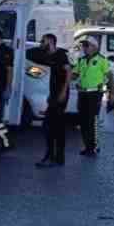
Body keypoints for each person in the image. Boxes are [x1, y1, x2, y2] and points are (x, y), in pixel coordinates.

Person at [36, 33, 72, 168]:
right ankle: (53, 157)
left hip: (60, 95)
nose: (41, 43)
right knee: (49, 126)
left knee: (54, 126)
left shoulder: (60, 55)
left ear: (50, 41)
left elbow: (69, 72)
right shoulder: (47, 55)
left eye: (43, 41)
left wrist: (63, 92)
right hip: (52, 95)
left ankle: (55, 158)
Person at [75, 38, 113, 157]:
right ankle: (87, 147)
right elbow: (75, 74)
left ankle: (94, 147)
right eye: (84, 46)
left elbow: (110, 76)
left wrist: (113, 92)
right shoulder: (81, 60)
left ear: (94, 47)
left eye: (87, 45)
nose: (84, 48)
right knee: (83, 121)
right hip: (82, 93)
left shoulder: (102, 60)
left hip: (95, 94)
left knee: (92, 120)